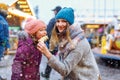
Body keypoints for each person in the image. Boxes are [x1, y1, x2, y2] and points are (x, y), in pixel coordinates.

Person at [37, 7, 101, 80]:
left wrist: (47, 53)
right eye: (58, 21)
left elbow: (65, 69)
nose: (60, 24)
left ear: (69, 23)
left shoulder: (78, 43)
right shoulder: (64, 38)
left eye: (63, 21)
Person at [41, 6, 62, 79]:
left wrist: (48, 42)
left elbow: (48, 32)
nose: (53, 12)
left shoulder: (53, 20)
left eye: (54, 11)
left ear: (56, 11)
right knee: (63, 60)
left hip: (53, 44)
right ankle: (63, 76)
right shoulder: (64, 21)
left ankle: (47, 74)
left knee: (51, 59)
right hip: (62, 44)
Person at [0, 3, 10, 80]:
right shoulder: (1, 20)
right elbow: (2, 34)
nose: (7, 11)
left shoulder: (2, 19)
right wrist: (5, 45)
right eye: (6, 9)